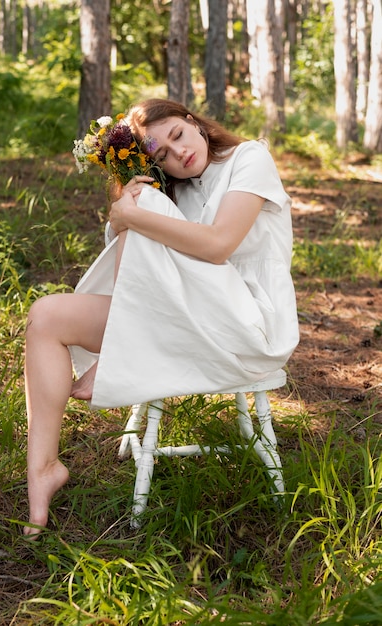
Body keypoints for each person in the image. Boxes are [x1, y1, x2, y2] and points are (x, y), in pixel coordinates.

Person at [24, 98, 299, 537]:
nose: (179, 154)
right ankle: (43, 468)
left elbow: (218, 245)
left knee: (145, 209)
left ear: (194, 123)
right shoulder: (175, 191)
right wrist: (126, 206)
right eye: (163, 156)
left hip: (250, 325)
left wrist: (137, 211)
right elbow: (137, 258)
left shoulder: (251, 157)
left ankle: (119, 343)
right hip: (183, 316)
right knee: (45, 317)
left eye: (178, 135)